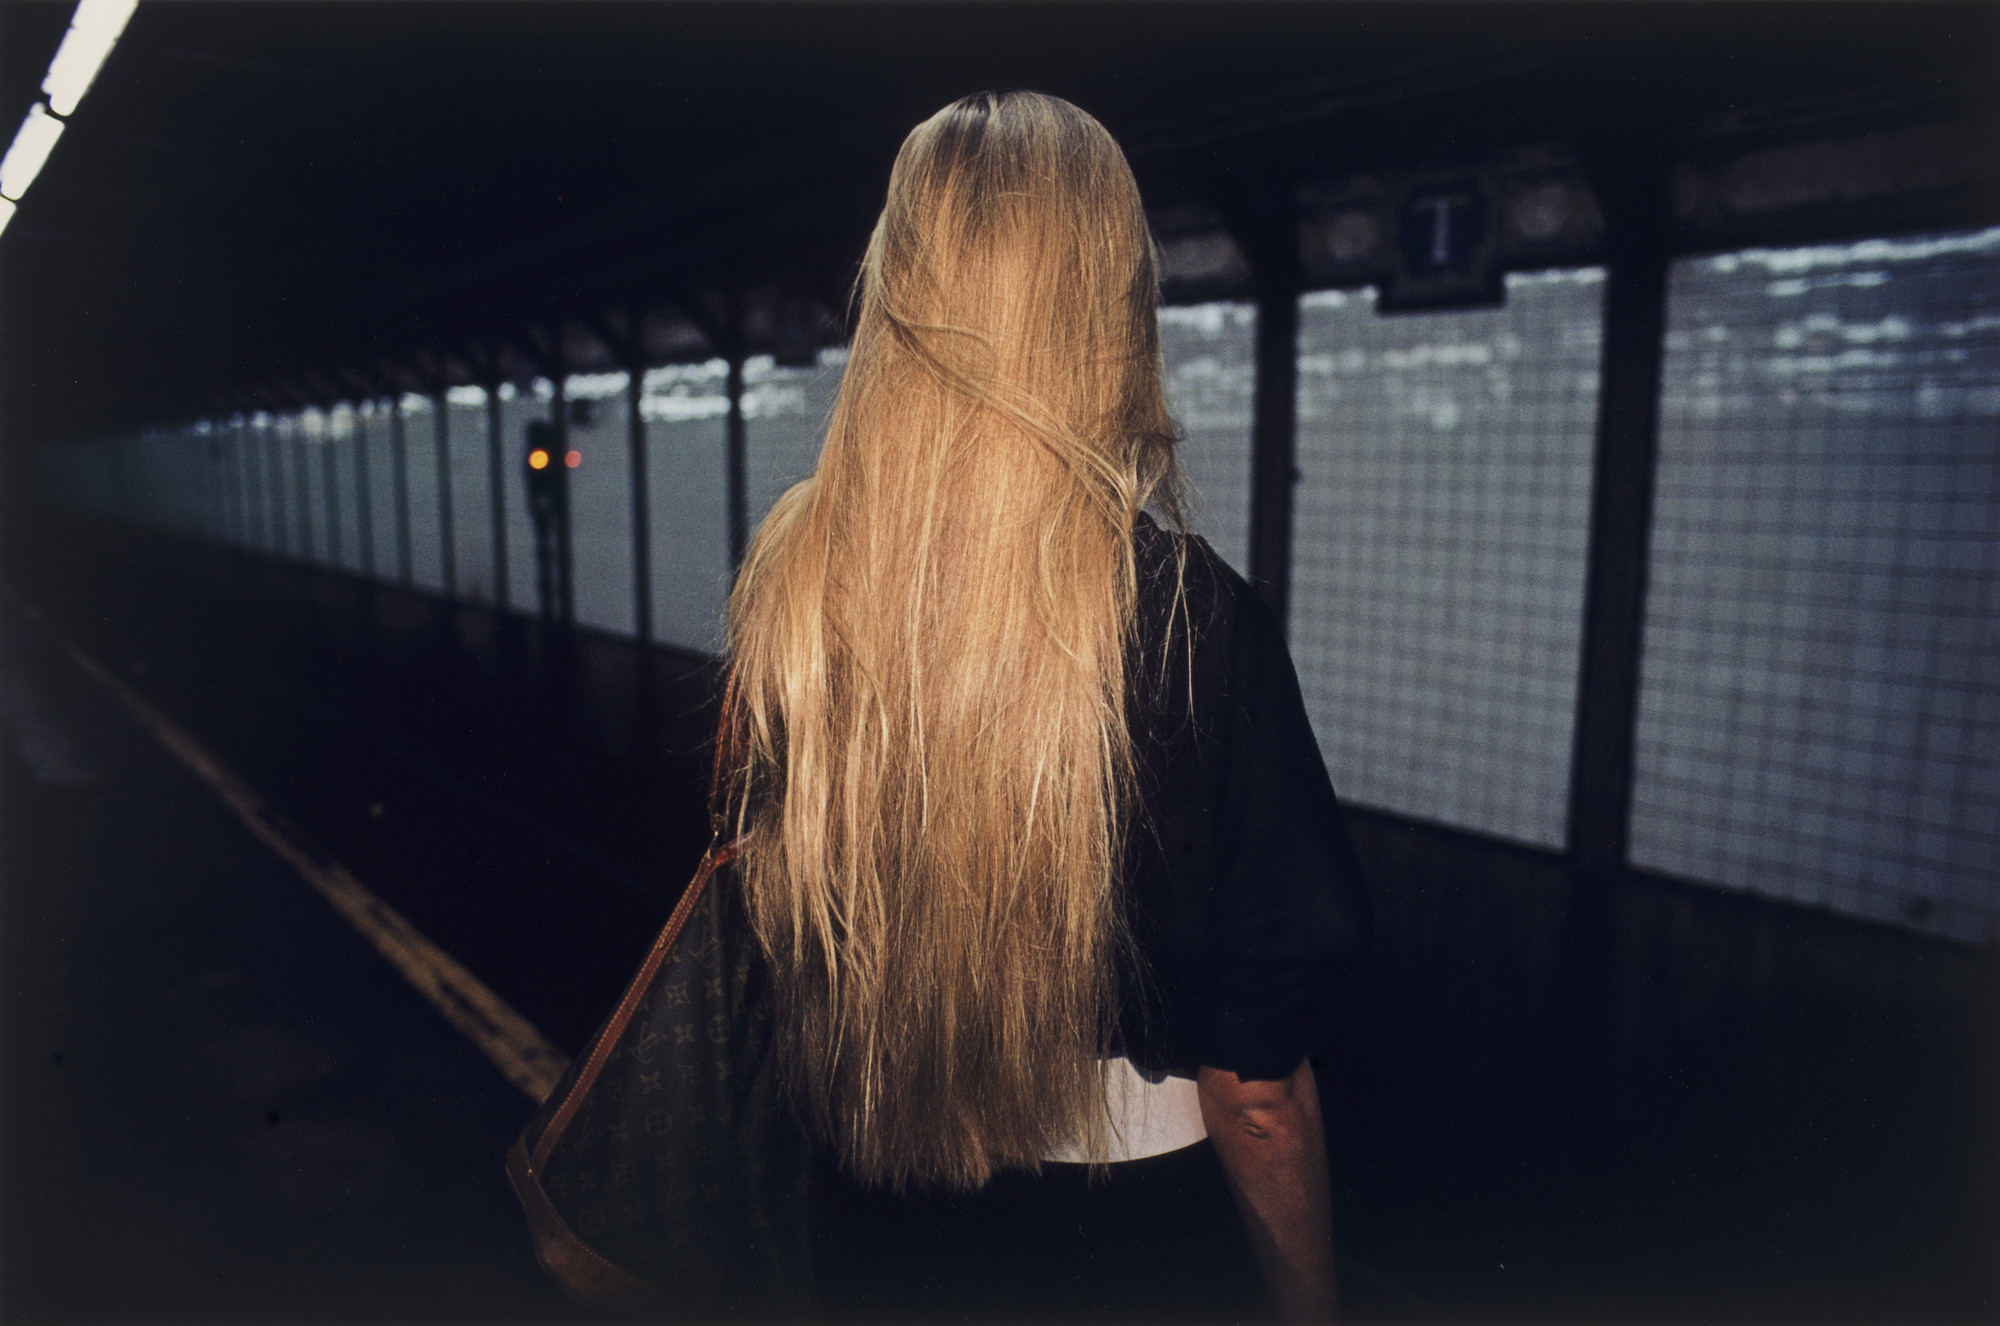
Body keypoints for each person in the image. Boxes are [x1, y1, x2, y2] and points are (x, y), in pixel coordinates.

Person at [715, 90, 1371, 1323]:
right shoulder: (1185, 620)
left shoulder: (796, 590)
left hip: (868, 1194)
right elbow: (1255, 1083)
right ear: (1105, 299)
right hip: (1116, 1238)